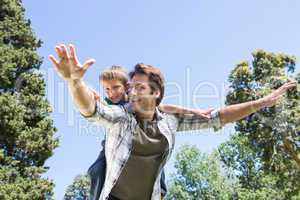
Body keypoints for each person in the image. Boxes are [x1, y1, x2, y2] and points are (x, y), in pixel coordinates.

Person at [49, 44, 296, 200]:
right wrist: (73, 82)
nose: (131, 92)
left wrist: (261, 102)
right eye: (131, 87)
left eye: (139, 87)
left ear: (155, 93)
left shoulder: (170, 120)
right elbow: (91, 110)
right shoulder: (121, 117)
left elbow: (217, 117)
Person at [88, 65, 214, 200]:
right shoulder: (109, 102)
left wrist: (193, 111)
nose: (111, 92)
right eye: (106, 89)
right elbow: (102, 112)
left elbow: (164, 107)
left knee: (154, 151)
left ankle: (161, 190)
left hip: (141, 140)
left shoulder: (133, 99)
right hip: (113, 146)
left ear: (127, 86)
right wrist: (95, 101)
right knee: (96, 169)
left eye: (116, 87)